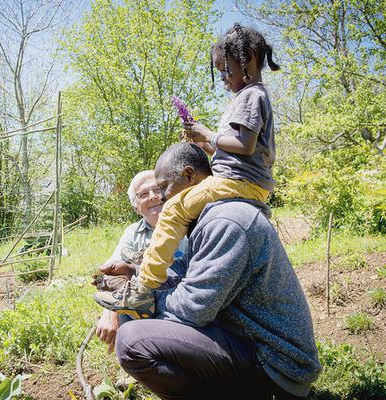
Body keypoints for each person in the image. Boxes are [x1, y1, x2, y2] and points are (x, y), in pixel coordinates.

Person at [95, 24, 282, 317]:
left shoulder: (250, 96)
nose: (222, 77)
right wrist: (207, 145)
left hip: (238, 182)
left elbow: (245, 146)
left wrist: (207, 134)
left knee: (173, 212)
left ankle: (144, 289)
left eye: (225, 69)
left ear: (246, 57)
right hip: (240, 180)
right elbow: (240, 149)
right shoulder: (250, 96)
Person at [114, 143, 322, 399]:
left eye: (164, 188)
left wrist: (143, 301)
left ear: (189, 176)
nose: (163, 198)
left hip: (277, 367)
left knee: (132, 341)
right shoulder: (213, 214)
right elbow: (187, 270)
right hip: (253, 344)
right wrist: (135, 272)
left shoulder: (226, 221)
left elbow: (192, 310)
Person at [95, 170, 188, 351]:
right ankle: (135, 357)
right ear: (136, 206)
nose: (153, 197)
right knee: (125, 300)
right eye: (144, 194)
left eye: (157, 189)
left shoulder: (188, 223)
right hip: (148, 303)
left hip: (183, 302)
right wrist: (109, 311)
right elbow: (105, 274)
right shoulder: (132, 233)